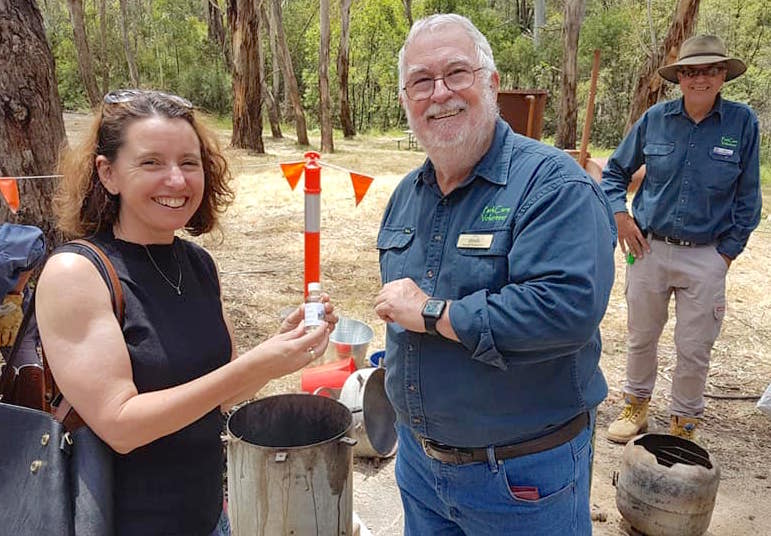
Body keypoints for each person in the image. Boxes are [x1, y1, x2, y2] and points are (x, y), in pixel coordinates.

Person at [35, 89, 338, 535]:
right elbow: (121, 425)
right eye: (152, 162)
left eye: (189, 162)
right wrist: (257, 364)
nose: (176, 180)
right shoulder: (75, 273)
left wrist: (282, 349)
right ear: (108, 173)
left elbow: (223, 392)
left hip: (208, 518)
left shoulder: (197, 264)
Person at [373, 14, 616, 535]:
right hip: (420, 466)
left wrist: (435, 313)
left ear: (492, 82)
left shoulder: (552, 186)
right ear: (404, 99)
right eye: (420, 80)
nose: (439, 94)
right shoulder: (405, 197)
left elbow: (565, 310)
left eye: (457, 73)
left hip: (522, 479)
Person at [601, 35, 762, 443]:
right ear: (680, 78)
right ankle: (635, 406)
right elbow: (614, 173)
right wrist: (620, 216)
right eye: (691, 71)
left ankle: (683, 424)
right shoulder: (655, 119)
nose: (700, 79)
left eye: (710, 70)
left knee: (694, 348)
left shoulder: (742, 123)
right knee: (641, 336)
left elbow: (749, 197)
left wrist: (725, 256)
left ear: (723, 75)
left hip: (706, 254)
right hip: (648, 249)